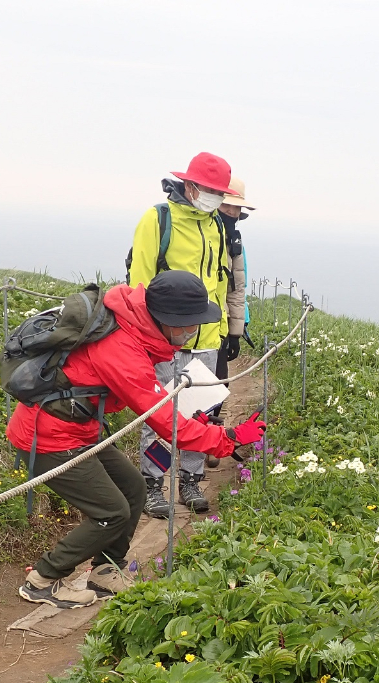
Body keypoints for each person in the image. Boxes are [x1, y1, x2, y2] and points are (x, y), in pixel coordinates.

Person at [7, 271, 266, 608]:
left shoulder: (133, 324)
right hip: (49, 437)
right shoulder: (121, 348)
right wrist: (227, 439)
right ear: (165, 320)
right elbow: (162, 420)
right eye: (188, 324)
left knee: (133, 488)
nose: (192, 332)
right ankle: (42, 579)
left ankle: (105, 570)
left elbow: (152, 401)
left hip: (80, 430)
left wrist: (194, 419)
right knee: (111, 512)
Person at [128, 152, 232, 519]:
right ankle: (152, 484)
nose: (216, 198)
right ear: (189, 185)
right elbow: (138, 282)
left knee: (199, 415)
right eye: (210, 190)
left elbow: (220, 281)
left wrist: (222, 334)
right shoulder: (158, 219)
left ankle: (191, 479)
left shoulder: (216, 224)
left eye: (221, 192)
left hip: (206, 340)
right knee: (162, 414)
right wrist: (144, 339)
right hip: (163, 339)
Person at [207, 175, 254, 466]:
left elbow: (238, 288)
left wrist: (237, 330)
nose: (233, 212)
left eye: (237, 208)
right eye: (228, 205)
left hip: (220, 326)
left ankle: (208, 443)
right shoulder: (200, 234)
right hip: (185, 325)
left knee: (219, 383)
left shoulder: (236, 242)